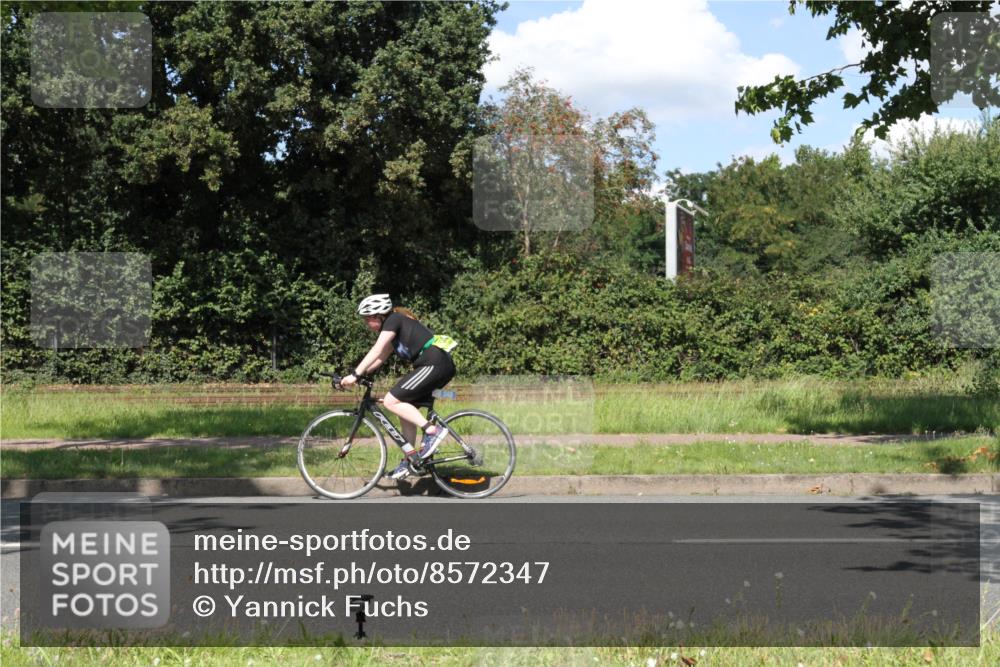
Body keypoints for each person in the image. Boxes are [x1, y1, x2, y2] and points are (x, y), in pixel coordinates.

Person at [340, 293, 458, 480]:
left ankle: (432, 432)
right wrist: (360, 375)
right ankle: (410, 460)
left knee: (391, 401)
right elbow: (380, 357)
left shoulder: (393, 320)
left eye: (367, 319)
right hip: (431, 365)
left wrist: (355, 374)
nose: (366, 323)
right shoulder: (392, 332)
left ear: (379, 316)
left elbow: (376, 350)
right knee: (404, 408)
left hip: (434, 363)